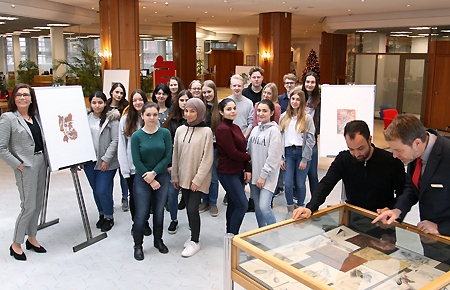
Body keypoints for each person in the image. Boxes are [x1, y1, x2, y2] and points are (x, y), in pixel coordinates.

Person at [292, 120, 405, 220]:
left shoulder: (390, 161)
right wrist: (311, 207)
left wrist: (392, 208)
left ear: (369, 139)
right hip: (353, 218)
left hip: (383, 219)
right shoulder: (344, 159)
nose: (356, 154)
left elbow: (404, 192)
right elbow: (326, 183)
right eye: (351, 149)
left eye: (361, 148)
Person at [373, 114, 450, 236]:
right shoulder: (415, 154)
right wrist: (397, 210)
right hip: (430, 236)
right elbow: (412, 188)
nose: (394, 155)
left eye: (399, 150)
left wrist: (441, 228)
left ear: (417, 143)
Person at [0, 84, 48, 261]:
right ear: (14, 98)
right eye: (19, 95)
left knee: (38, 203)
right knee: (28, 206)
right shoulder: (8, 118)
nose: (22, 98)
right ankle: (16, 243)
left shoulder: (35, 117)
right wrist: (17, 164)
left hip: (41, 161)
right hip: (25, 166)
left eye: (26, 95)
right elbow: (1, 147)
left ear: (31, 98)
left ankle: (32, 238)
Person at [171, 98, 214, 258]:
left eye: (192, 111)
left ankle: (195, 241)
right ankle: (192, 236)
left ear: (200, 112)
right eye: (186, 111)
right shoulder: (180, 130)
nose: (188, 114)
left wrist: (198, 180)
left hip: (197, 180)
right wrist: (175, 176)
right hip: (183, 177)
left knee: (192, 209)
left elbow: (207, 158)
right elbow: (175, 155)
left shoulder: (206, 132)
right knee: (188, 207)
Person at [130, 102, 172, 260]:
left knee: (159, 212)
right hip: (142, 179)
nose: (152, 117)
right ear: (142, 116)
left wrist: (154, 173)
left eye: (155, 114)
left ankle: (158, 240)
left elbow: (167, 156)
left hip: (160, 177)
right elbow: (136, 161)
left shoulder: (165, 133)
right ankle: (138, 245)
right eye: (148, 115)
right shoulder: (136, 136)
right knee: (141, 214)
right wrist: (149, 177)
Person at [117, 89, 152, 235]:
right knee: (135, 197)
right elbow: (122, 146)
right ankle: (137, 223)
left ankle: (144, 221)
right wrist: (125, 169)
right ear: (131, 103)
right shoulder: (125, 120)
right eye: (135, 100)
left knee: (147, 197)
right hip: (132, 167)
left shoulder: (149, 117)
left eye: (140, 99)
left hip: (148, 167)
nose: (138, 103)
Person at [84, 91, 120, 232]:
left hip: (107, 161)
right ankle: (102, 213)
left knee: (102, 189)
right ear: (90, 104)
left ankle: (109, 216)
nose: (97, 105)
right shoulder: (85, 118)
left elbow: (115, 140)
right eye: (94, 102)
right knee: (95, 190)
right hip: (90, 161)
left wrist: (106, 158)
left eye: (100, 102)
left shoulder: (112, 119)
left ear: (105, 103)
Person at [216, 98, 251, 234]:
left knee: (233, 204)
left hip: (237, 172)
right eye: (228, 109)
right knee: (242, 205)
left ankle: (230, 233)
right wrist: (250, 157)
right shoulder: (223, 129)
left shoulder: (235, 127)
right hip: (227, 173)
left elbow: (241, 149)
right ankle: (233, 237)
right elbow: (233, 153)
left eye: (234, 108)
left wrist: (247, 168)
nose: (232, 111)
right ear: (221, 112)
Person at [279, 87, 315, 218]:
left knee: (300, 183)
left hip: (301, 152)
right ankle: (290, 208)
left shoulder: (307, 118)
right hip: (288, 153)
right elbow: (279, 138)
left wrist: (305, 159)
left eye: (297, 99)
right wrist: (280, 158)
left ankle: (300, 207)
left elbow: (311, 140)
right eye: (292, 99)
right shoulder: (283, 117)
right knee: (288, 183)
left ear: (302, 101)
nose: (294, 101)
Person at [247, 100, 282, 227]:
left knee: (264, 207)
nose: (261, 114)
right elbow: (249, 151)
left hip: (267, 177)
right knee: (257, 207)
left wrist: (262, 176)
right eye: (259, 111)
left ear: (272, 112)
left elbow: (273, 157)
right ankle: (261, 231)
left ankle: (273, 231)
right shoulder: (255, 129)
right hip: (255, 175)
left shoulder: (274, 131)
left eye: (264, 111)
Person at [163, 90, 192, 234]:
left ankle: (192, 220)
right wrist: (169, 164)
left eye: (187, 100)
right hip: (174, 164)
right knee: (172, 194)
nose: (184, 103)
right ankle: (174, 219)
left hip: (190, 165)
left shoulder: (197, 122)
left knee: (189, 196)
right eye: (182, 100)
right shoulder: (170, 120)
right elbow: (167, 145)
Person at [226, 74, 254, 209]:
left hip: (244, 139)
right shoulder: (225, 101)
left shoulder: (249, 103)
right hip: (229, 141)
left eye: (239, 85)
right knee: (230, 166)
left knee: (242, 167)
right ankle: (230, 191)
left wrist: (243, 137)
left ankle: (240, 191)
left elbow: (250, 123)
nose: (237, 88)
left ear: (243, 86)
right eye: (234, 85)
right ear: (230, 86)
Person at [199, 80, 221, 217]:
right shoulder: (200, 107)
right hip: (201, 147)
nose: (207, 94)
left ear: (214, 92)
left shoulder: (220, 107)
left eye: (209, 92)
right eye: (204, 92)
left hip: (215, 146)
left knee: (213, 177)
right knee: (202, 175)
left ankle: (212, 202)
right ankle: (204, 200)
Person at [107, 82, 130, 212]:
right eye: (117, 92)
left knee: (123, 175)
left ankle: (125, 197)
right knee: (108, 176)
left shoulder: (126, 107)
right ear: (111, 92)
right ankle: (109, 200)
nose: (119, 95)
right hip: (109, 145)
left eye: (121, 93)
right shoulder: (105, 106)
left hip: (122, 143)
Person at [302, 72, 321, 196]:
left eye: (312, 82)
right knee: (299, 173)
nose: (309, 84)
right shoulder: (299, 96)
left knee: (313, 172)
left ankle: (316, 198)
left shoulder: (320, 99)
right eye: (307, 82)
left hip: (311, 138)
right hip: (298, 138)